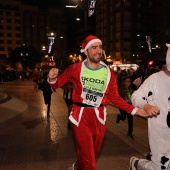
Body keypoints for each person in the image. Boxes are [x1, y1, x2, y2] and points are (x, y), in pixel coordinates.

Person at [47, 35, 158, 170]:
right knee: (90, 164)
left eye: (100, 47)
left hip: (99, 118)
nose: (98, 50)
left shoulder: (109, 73)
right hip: (80, 117)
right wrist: (51, 78)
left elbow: (115, 98)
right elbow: (56, 84)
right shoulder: (75, 69)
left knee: (90, 156)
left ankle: (77, 166)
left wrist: (135, 110)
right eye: (94, 47)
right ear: (86, 51)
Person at [129, 44, 170, 170]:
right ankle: (137, 164)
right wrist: (146, 106)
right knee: (159, 167)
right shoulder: (155, 79)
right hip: (160, 132)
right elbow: (136, 96)